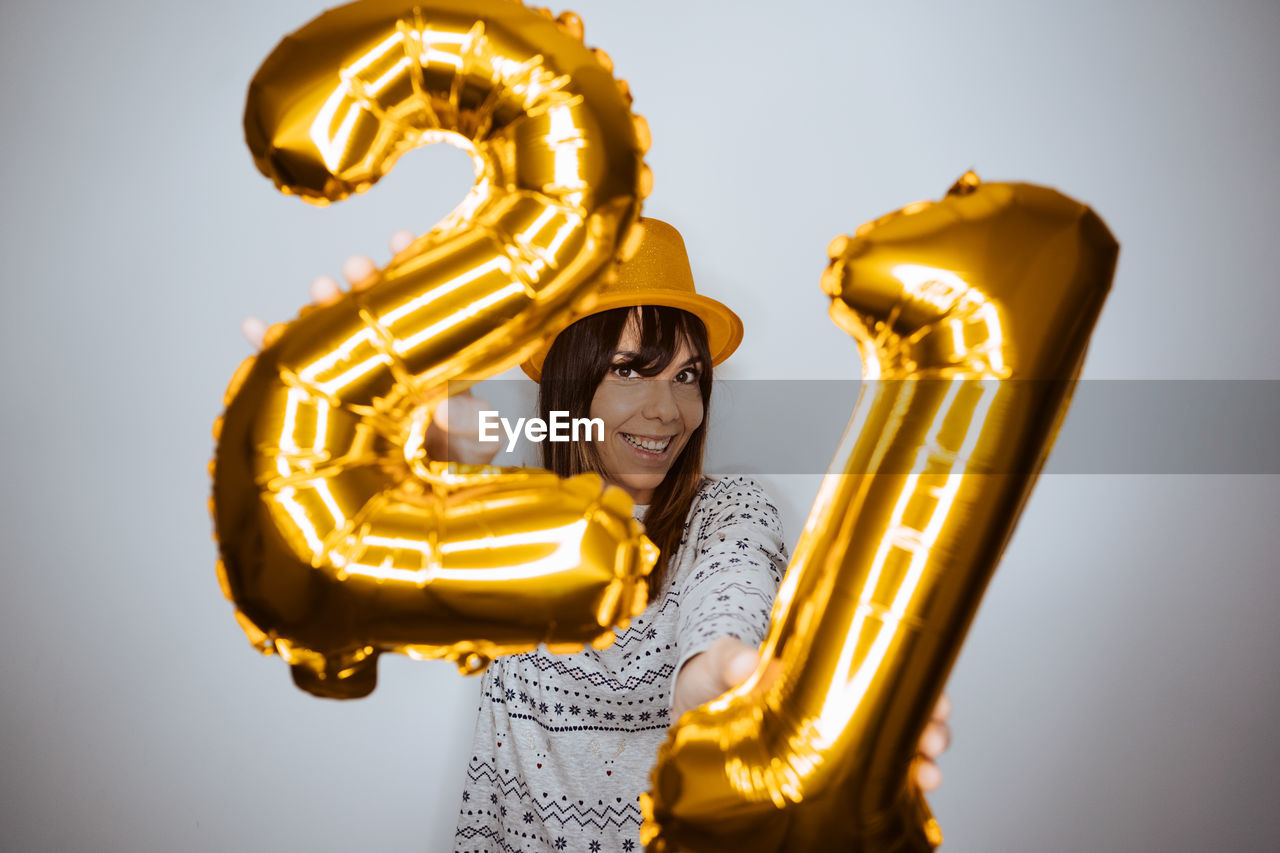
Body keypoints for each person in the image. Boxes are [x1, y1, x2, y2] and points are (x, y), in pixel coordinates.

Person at [242, 218, 951, 853]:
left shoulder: (730, 513)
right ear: (568, 386)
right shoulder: (506, 524)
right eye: (628, 370)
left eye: (687, 376)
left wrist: (724, 685)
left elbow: (724, 623)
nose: (668, 409)